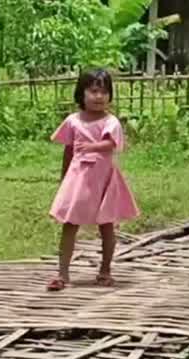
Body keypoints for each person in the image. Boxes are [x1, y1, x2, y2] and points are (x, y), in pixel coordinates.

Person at [46, 68, 139, 291]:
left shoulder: (111, 122)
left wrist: (92, 146)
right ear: (82, 93)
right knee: (70, 224)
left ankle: (105, 270)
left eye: (104, 92)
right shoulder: (73, 121)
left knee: (107, 225)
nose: (99, 97)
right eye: (94, 91)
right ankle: (63, 273)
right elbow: (68, 150)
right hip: (79, 180)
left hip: (104, 179)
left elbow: (111, 144)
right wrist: (64, 178)